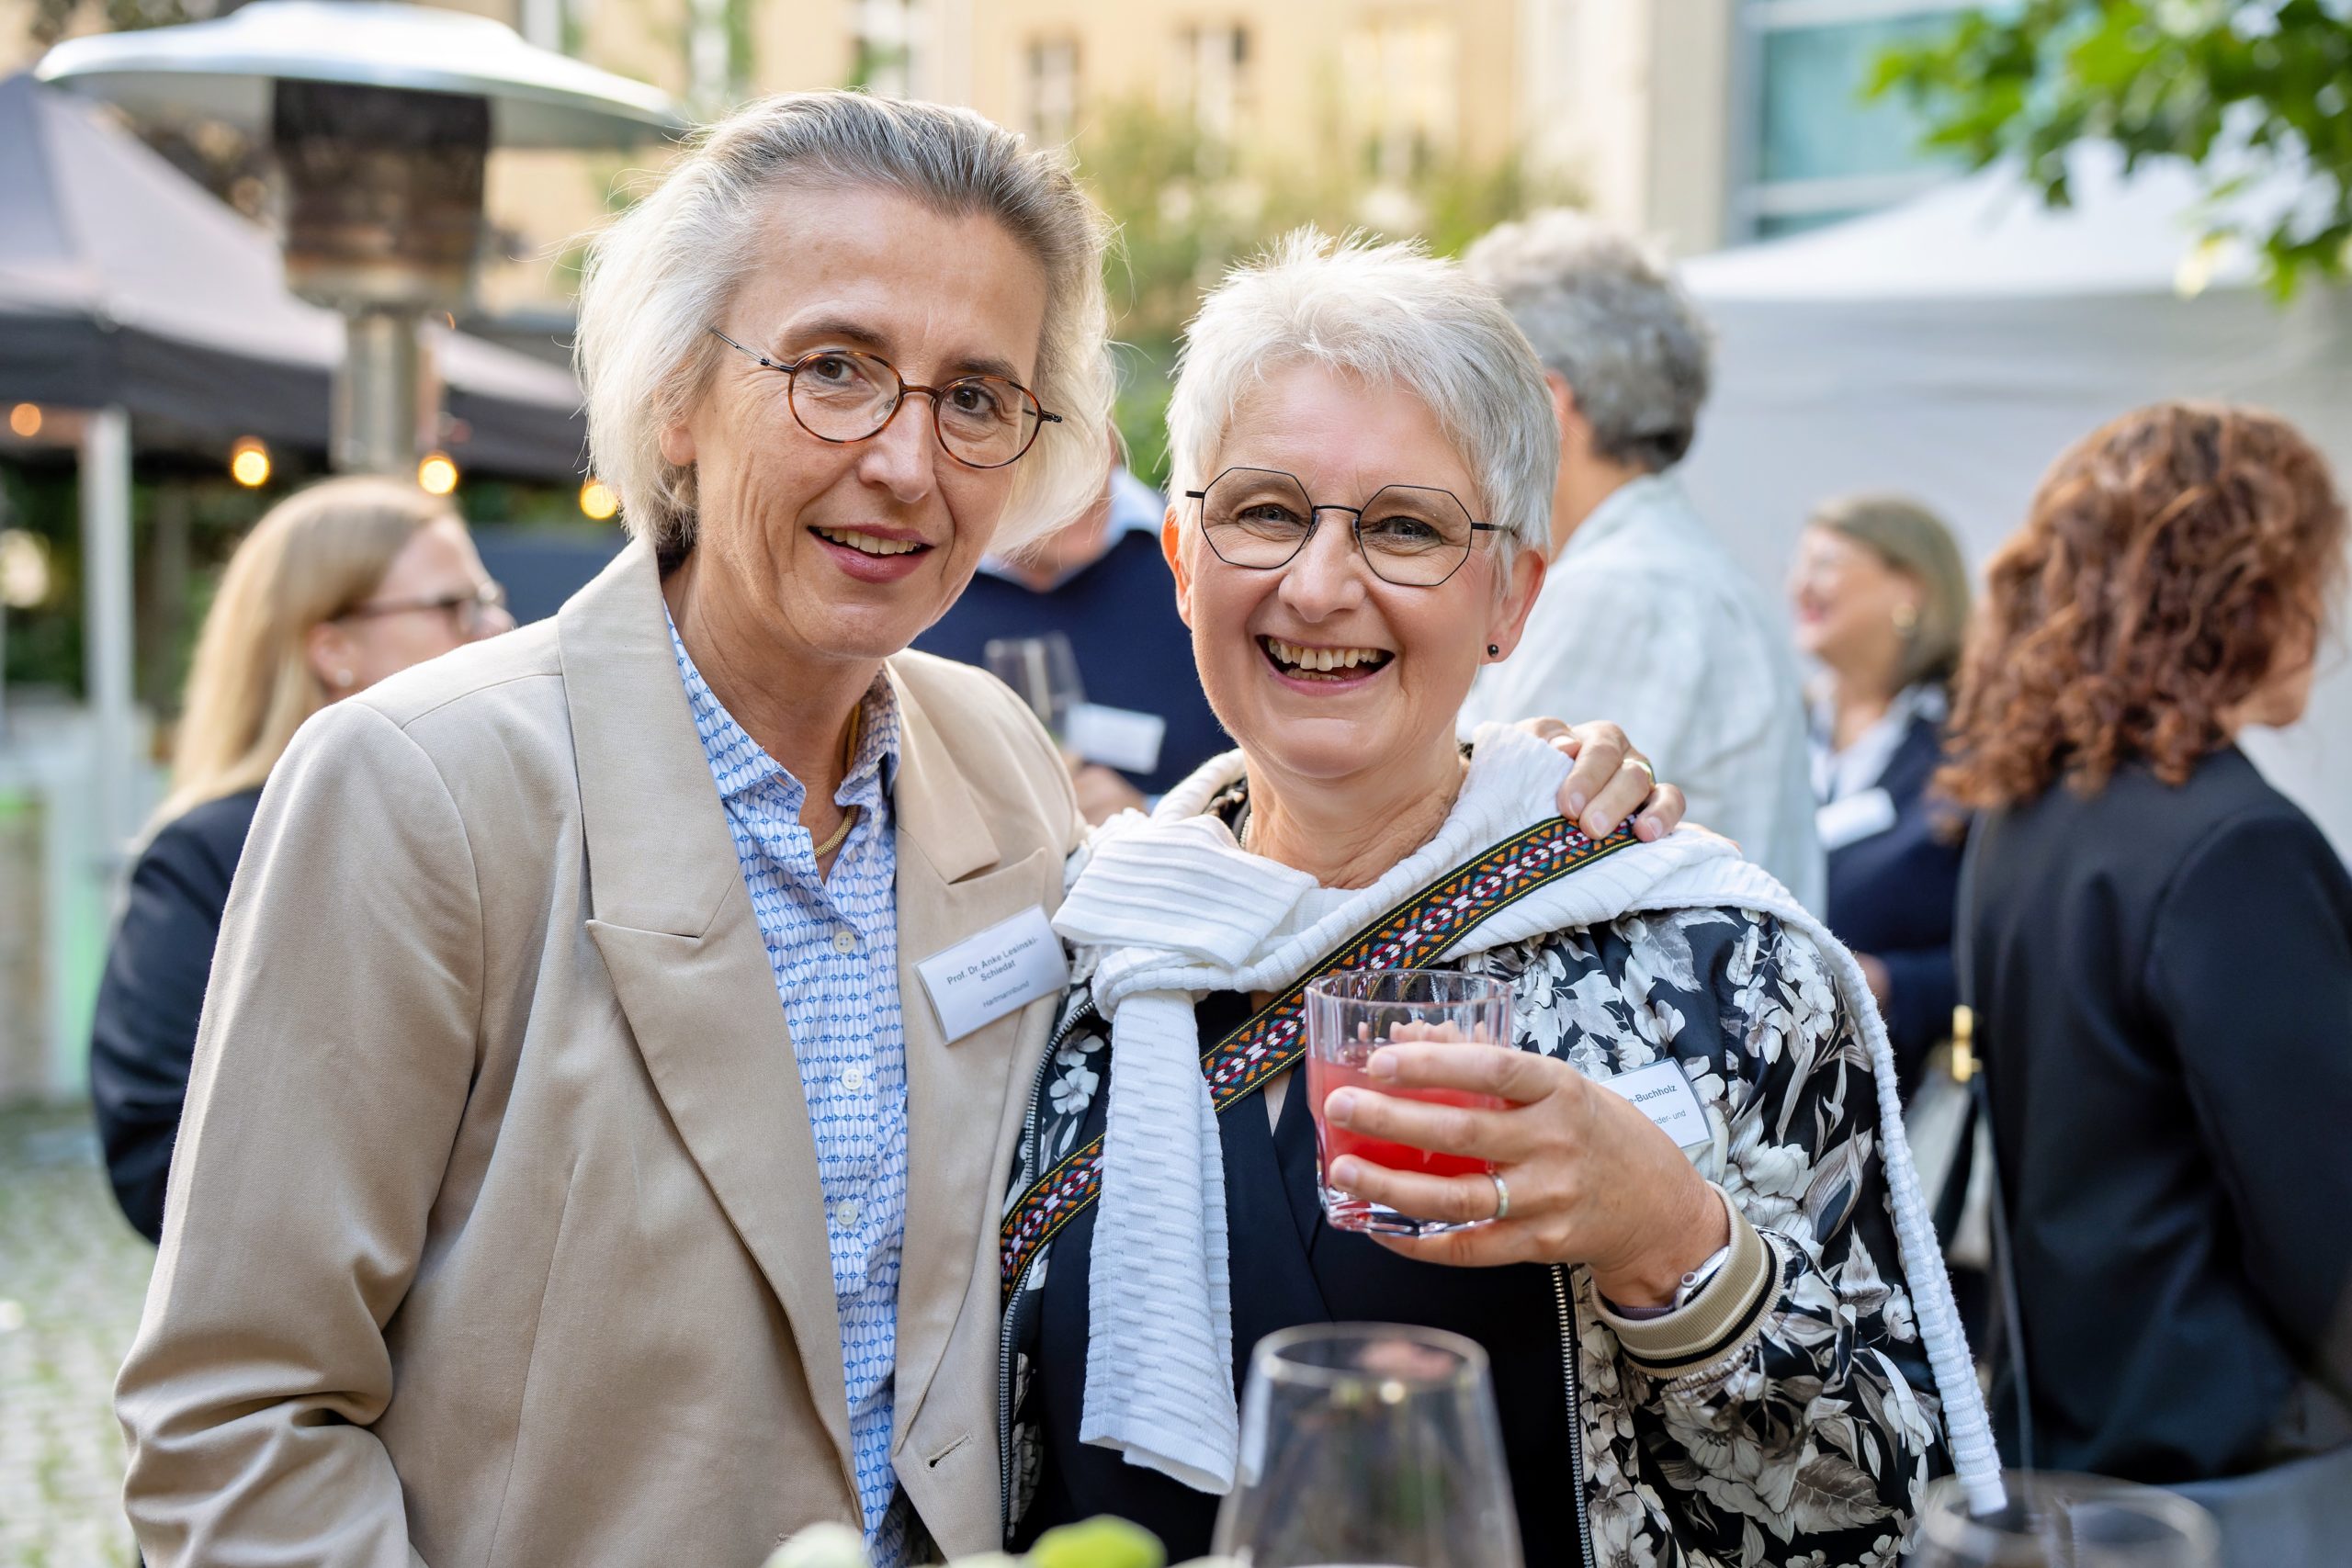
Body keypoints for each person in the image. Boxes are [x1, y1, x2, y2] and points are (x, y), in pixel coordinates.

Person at [112, 94, 1677, 1568]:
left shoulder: (992, 760)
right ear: (676, 395)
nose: (907, 463)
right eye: (836, 367)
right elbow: (235, 1422)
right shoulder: (420, 788)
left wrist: (1513, 782)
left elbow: (1252, 886)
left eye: (976, 398)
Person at [1002, 231, 2000, 1568]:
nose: (1319, 584)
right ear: (1184, 554)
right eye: (1266, 511)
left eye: (1406, 527)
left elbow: (1881, 1508)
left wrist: (1673, 1242)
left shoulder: (1717, 968)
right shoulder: (1066, 952)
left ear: (1512, 595)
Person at [1940, 403, 2352, 1506]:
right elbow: (2327, 1230)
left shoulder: (2024, 812)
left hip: (2067, 1432)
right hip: (2236, 1462)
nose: (2324, 613)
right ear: (2239, 593)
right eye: (2309, 575)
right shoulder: (2234, 845)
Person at [88, 477, 511, 1244]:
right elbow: (155, 1150)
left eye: (490, 599)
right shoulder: (210, 855)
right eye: (455, 606)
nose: (498, 627)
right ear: (333, 649)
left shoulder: (511, 821)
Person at [1459, 209, 1824, 910]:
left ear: (1546, 407)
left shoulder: (1623, 590)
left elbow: (1494, 869)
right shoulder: (1658, 567)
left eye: (1472, 401)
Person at [914, 440, 1225, 819]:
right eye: (1041, 453)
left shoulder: (1207, 555)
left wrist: (1154, 815)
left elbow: (1270, 787)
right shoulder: (909, 577)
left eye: (1088, 434)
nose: (1076, 482)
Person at [1790, 493, 1973, 1092]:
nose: (1800, 585)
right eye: (1800, 565)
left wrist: (1892, 984)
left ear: (1910, 588)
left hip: (1896, 1095)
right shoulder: (1778, 725)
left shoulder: (1970, 749)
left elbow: (2011, 947)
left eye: (1826, 563)